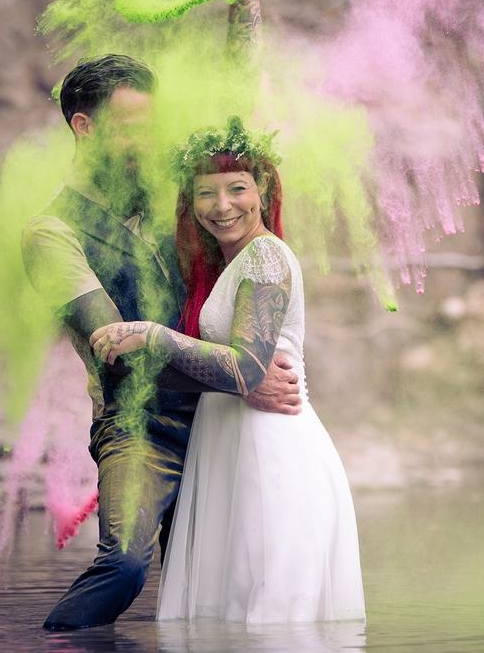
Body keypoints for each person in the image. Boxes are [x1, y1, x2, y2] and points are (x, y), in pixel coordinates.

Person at [22, 0, 302, 633]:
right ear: (85, 129)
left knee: (212, 593)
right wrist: (239, 370)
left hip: (226, 414)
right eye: (132, 126)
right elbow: (115, 351)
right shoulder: (50, 234)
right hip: (143, 426)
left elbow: (236, 110)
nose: (151, 139)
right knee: (123, 564)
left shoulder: (172, 182)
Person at [91, 117, 366, 623]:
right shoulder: (229, 263)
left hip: (268, 448)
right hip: (229, 440)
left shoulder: (264, 256)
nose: (222, 206)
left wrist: (154, 335)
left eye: (236, 189)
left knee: (265, 609)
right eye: (205, 194)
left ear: (261, 189)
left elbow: (245, 369)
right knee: (229, 611)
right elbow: (230, 373)